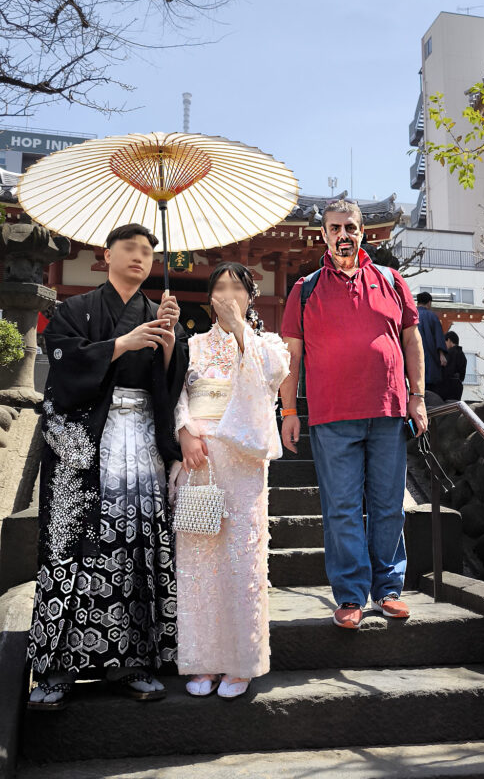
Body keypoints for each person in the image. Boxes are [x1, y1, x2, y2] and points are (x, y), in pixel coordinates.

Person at [27, 224, 188, 710]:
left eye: (146, 251)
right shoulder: (73, 310)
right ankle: (56, 671)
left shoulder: (156, 315)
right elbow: (63, 362)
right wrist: (122, 343)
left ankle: (132, 661)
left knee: (136, 543)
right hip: (86, 442)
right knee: (71, 547)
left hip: (141, 438)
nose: (139, 257)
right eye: (130, 249)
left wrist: (168, 343)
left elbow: (172, 383)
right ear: (106, 255)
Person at [280, 199, 427, 630]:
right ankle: (349, 594)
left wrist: (417, 397)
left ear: (364, 232)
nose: (343, 234)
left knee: (387, 506)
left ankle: (388, 590)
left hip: (387, 408)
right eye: (334, 227)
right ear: (323, 235)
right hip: (331, 415)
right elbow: (292, 355)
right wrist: (289, 410)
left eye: (351, 226)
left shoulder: (391, 280)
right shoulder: (304, 288)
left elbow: (411, 342)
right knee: (342, 508)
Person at [172, 263, 290, 700]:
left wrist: (242, 332)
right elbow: (176, 393)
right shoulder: (193, 344)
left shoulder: (268, 345)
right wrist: (184, 432)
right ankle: (202, 660)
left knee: (242, 561)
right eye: (219, 287)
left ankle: (242, 662)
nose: (226, 294)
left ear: (250, 296)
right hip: (198, 457)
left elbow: (271, 379)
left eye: (236, 287)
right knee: (199, 563)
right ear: (207, 299)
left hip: (240, 459)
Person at [416, 292, 447, 396]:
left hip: (412, 357)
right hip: (430, 358)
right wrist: (442, 355)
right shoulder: (432, 317)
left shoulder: (411, 315)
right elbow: (439, 337)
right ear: (429, 303)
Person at [435, 330, 467, 400]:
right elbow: (462, 376)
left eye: (445, 342)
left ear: (449, 340)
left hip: (446, 389)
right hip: (458, 389)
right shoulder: (463, 355)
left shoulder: (447, 354)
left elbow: (445, 372)